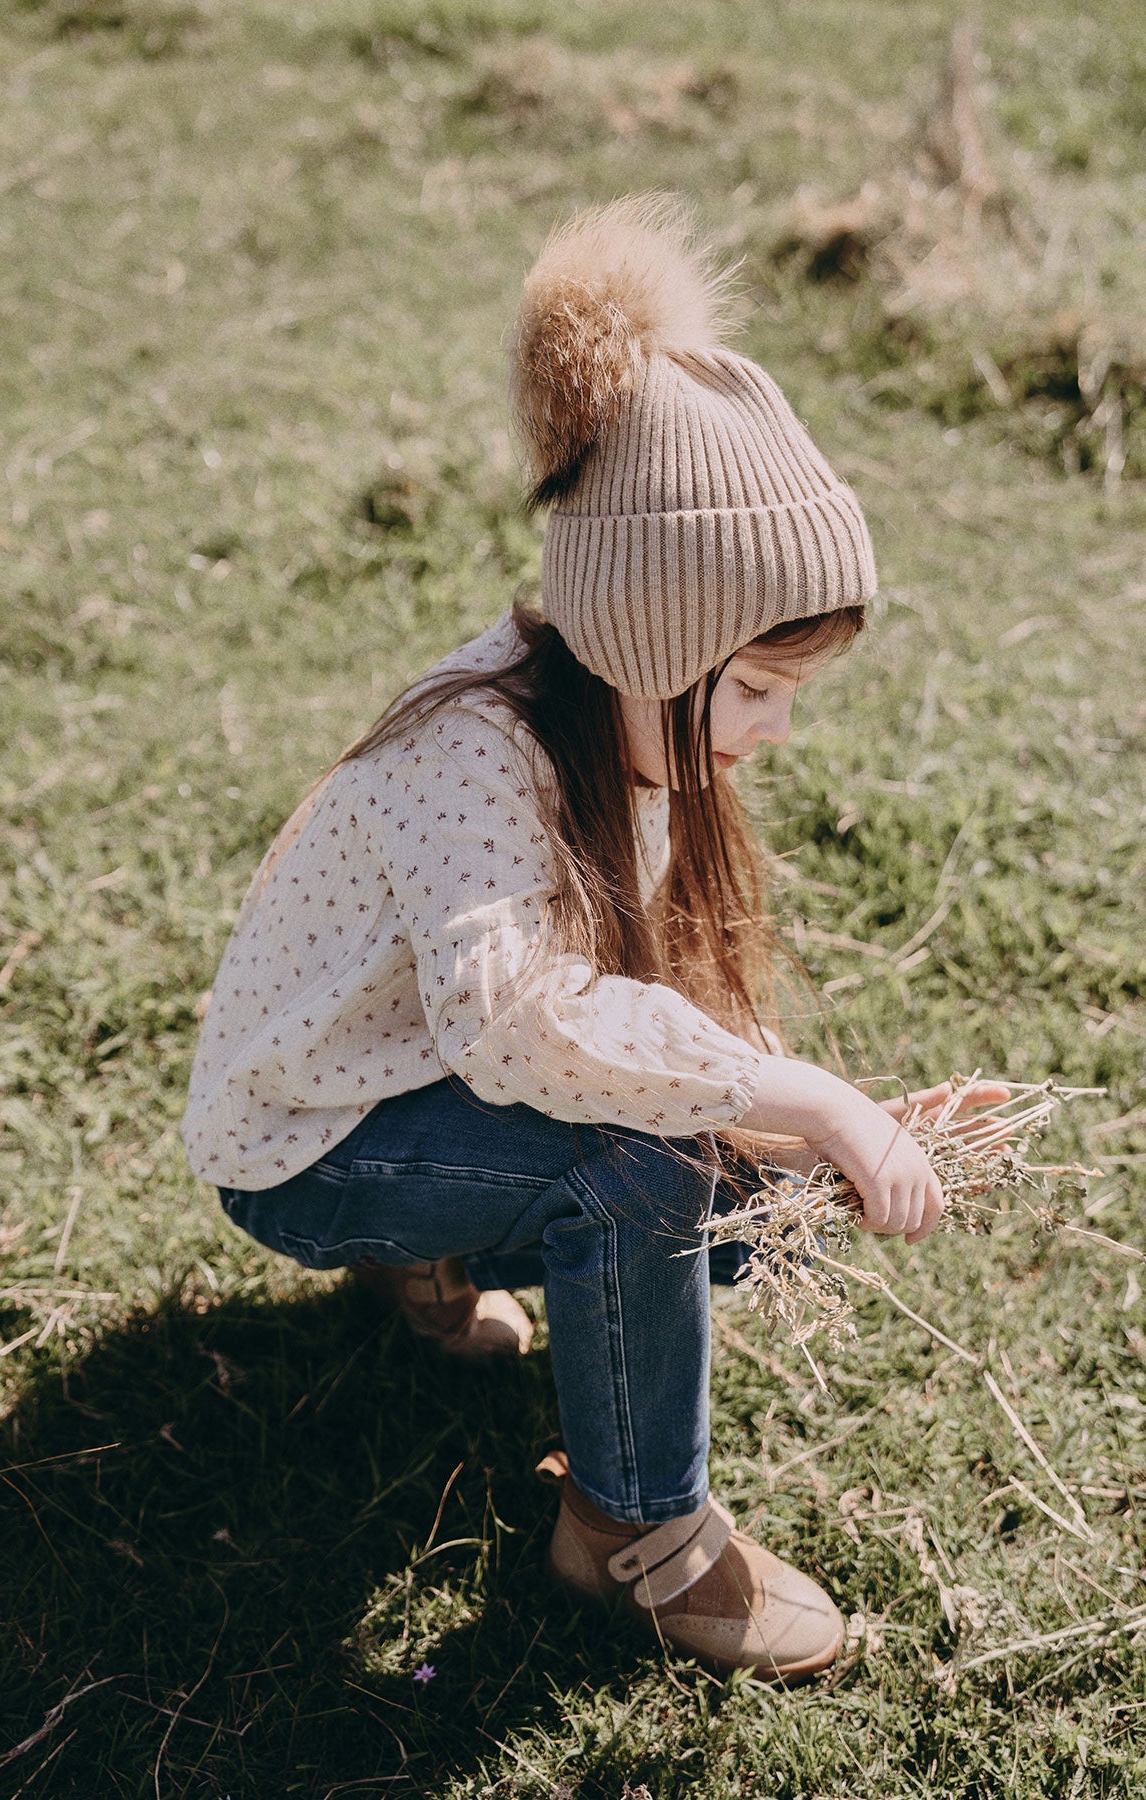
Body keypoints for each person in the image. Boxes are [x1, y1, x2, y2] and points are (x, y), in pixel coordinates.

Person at [183, 196, 999, 1682]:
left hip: (406, 1078)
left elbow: (624, 1010)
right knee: (650, 1162)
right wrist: (798, 1099)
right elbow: (523, 1026)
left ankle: (439, 1264)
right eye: (754, 683)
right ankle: (634, 1537)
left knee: (716, 1169)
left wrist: (817, 1124)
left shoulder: (612, 727)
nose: (774, 726)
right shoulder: (477, 755)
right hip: (303, 1137)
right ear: (652, 640)